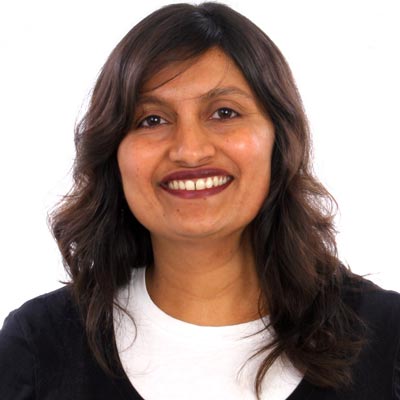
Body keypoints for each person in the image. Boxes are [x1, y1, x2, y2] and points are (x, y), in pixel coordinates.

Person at [0, 2, 399, 399]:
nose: (190, 151)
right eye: (152, 120)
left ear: (280, 140)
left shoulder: (388, 340)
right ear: (112, 154)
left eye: (224, 113)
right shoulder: (39, 348)